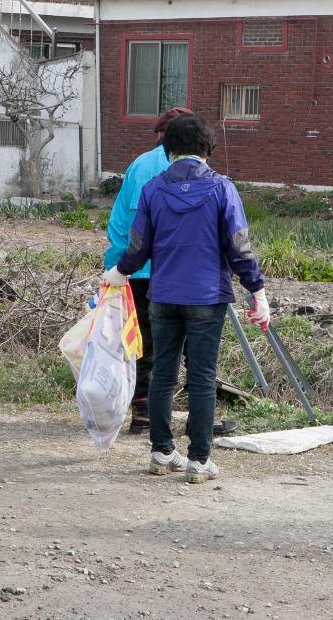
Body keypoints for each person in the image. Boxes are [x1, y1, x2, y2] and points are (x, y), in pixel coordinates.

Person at [103, 113, 270, 483]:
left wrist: (118, 272)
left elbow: (137, 247)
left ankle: (162, 452)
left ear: (168, 148)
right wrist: (256, 289)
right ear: (207, 150)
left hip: (163, 295)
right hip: (207, 298)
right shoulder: (222, 188)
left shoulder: (153, 190)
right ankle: (198, 459)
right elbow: (239, 246)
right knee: (202, 375)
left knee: (163, 373)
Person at [103, 107, 191, 432]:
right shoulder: (186, 168)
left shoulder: (139, 165)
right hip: (170, 272)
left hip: (134, 269)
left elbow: (122, 223)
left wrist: (115, 268)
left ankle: (143, 412)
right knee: (184, 343)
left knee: (143, 342)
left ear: (158, 134)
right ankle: (188, 416)